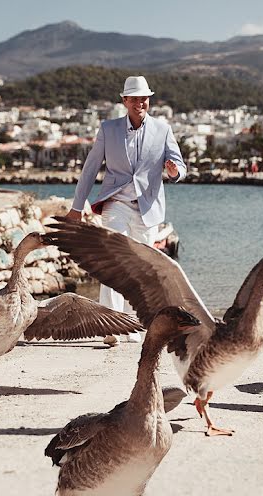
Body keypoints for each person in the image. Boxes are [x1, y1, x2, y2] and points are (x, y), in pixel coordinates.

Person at [66, 75, 186, 345]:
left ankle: (135, 323)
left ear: (149, 100)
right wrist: (76, 207)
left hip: (148, 208)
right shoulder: (108, 129)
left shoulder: (163, 130)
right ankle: (111, 325)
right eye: (134, 98)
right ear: (125, 101)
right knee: (113, 263)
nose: (139, 103)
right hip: (115, 204)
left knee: (142, 268)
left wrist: (175, 171)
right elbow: (90, 169)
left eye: (144, 98)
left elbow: (180, 165)